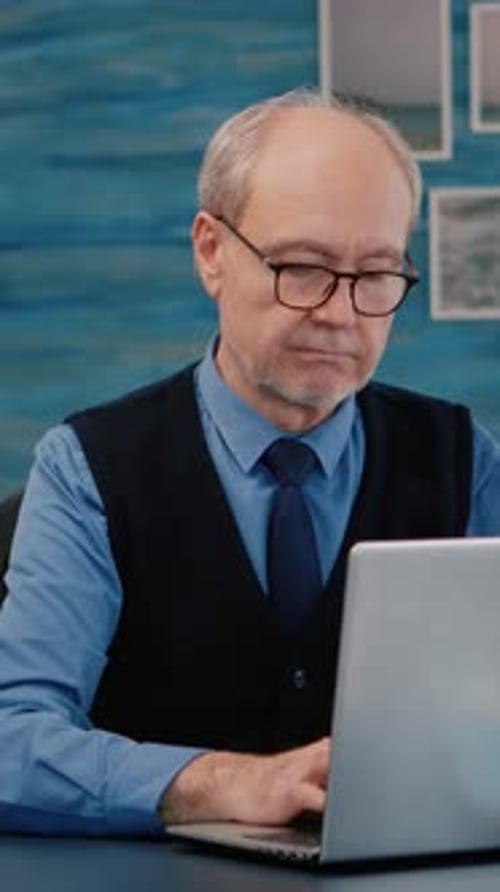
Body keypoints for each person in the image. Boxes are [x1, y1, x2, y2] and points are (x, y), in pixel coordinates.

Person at [1, 87, 500, 837]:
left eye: (376, 275)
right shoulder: (87, 470)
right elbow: (11, 739)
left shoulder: (467, 459)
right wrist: (211, 782)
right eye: (303, 266)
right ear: (212, 252)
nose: (339, 313)